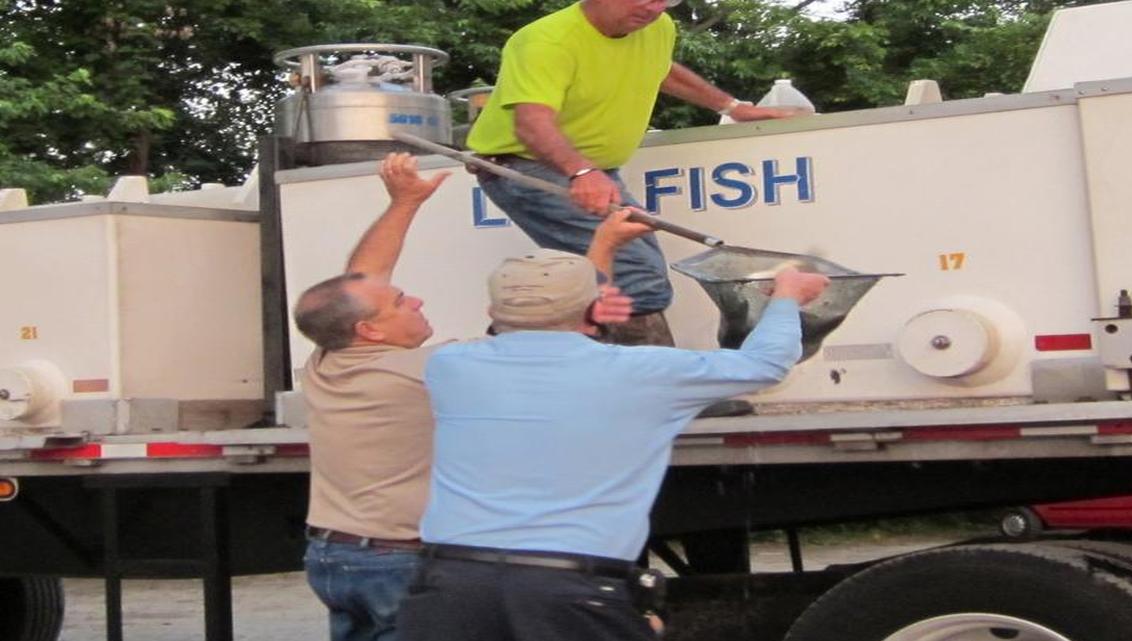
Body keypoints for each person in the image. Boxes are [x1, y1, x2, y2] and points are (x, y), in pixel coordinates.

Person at [293, 152, 644, 641]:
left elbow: (358, 280)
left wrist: (404, 202)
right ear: (370, 330)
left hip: (334, 558)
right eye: (400, 302)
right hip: (397, 560)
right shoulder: (433, 369)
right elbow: (553, 324)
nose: (414, 300)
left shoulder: (328, 360)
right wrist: (602, 246)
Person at [397, 252, 830, 641]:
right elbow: (765, 364)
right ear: (592, 312)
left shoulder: (449, 366)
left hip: (450, 582)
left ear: (492, 310)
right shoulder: (641, 371)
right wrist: (786, 297)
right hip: (571, 588)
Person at [466, 0, 808, 345]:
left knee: (601, 278)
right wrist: (581, 171)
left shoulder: (656, 27)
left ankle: (574, 374)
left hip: (588, 170)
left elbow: (660, 68)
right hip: (526, 167)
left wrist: (734, 107)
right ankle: (656, 388)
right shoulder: (546, 41)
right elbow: (531, 124)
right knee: (637, 275)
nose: (655, 7)